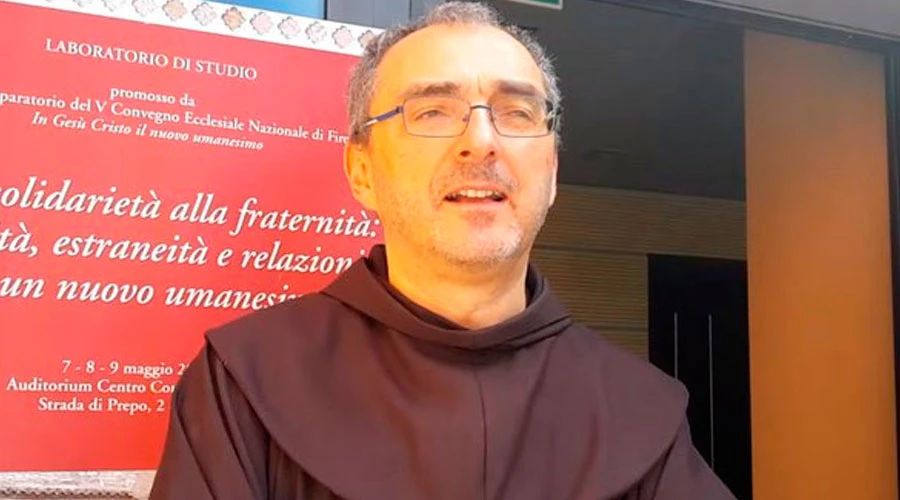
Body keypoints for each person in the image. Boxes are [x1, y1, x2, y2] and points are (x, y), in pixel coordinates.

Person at [148, 2, 736, 499]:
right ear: (361, 171)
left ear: (552, 172)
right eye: (432, 111)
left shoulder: (639, 410)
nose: (480, 140)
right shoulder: (245, 380)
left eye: (517, 112)